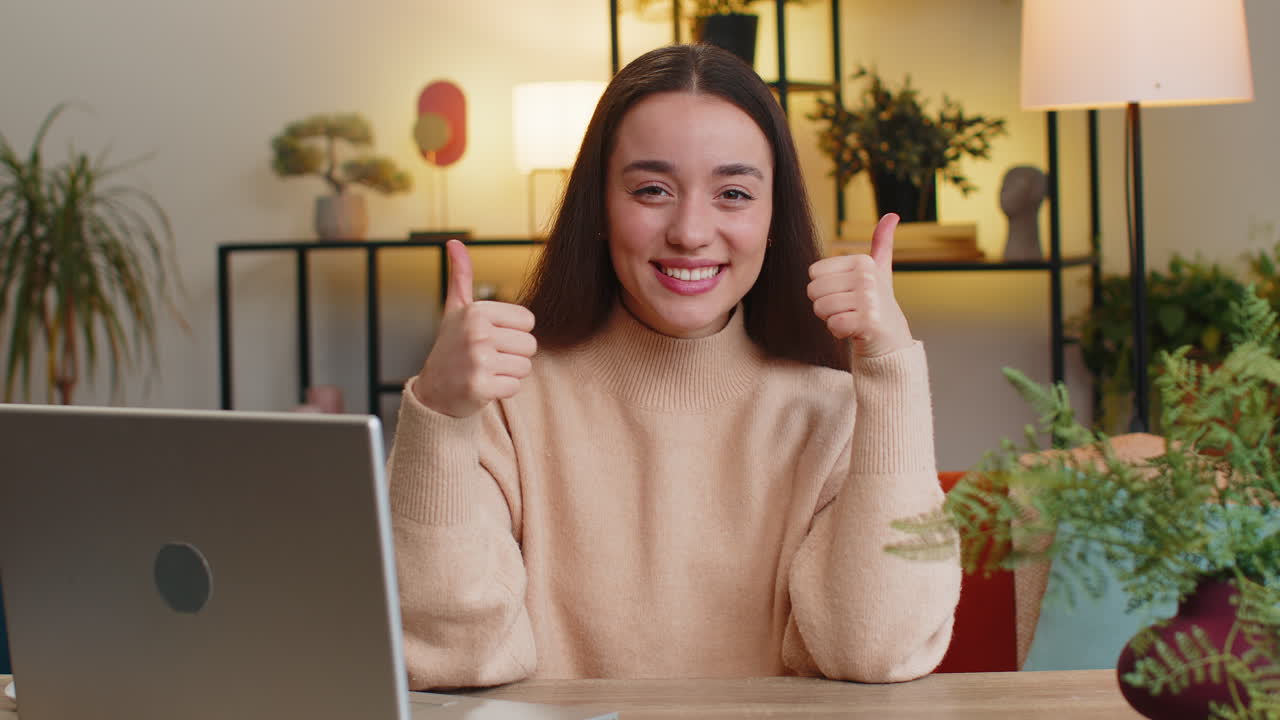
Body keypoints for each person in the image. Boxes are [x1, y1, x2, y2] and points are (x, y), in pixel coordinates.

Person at [387, 43, 960, 689]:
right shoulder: (506, 404)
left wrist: (891, 373)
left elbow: (875, 651)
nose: (690, 230)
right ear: (599, 208)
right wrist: (438, 413)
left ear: (774, 217)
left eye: (734, 193)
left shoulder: (833, 412)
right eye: (652, 189)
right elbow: (448, 656)